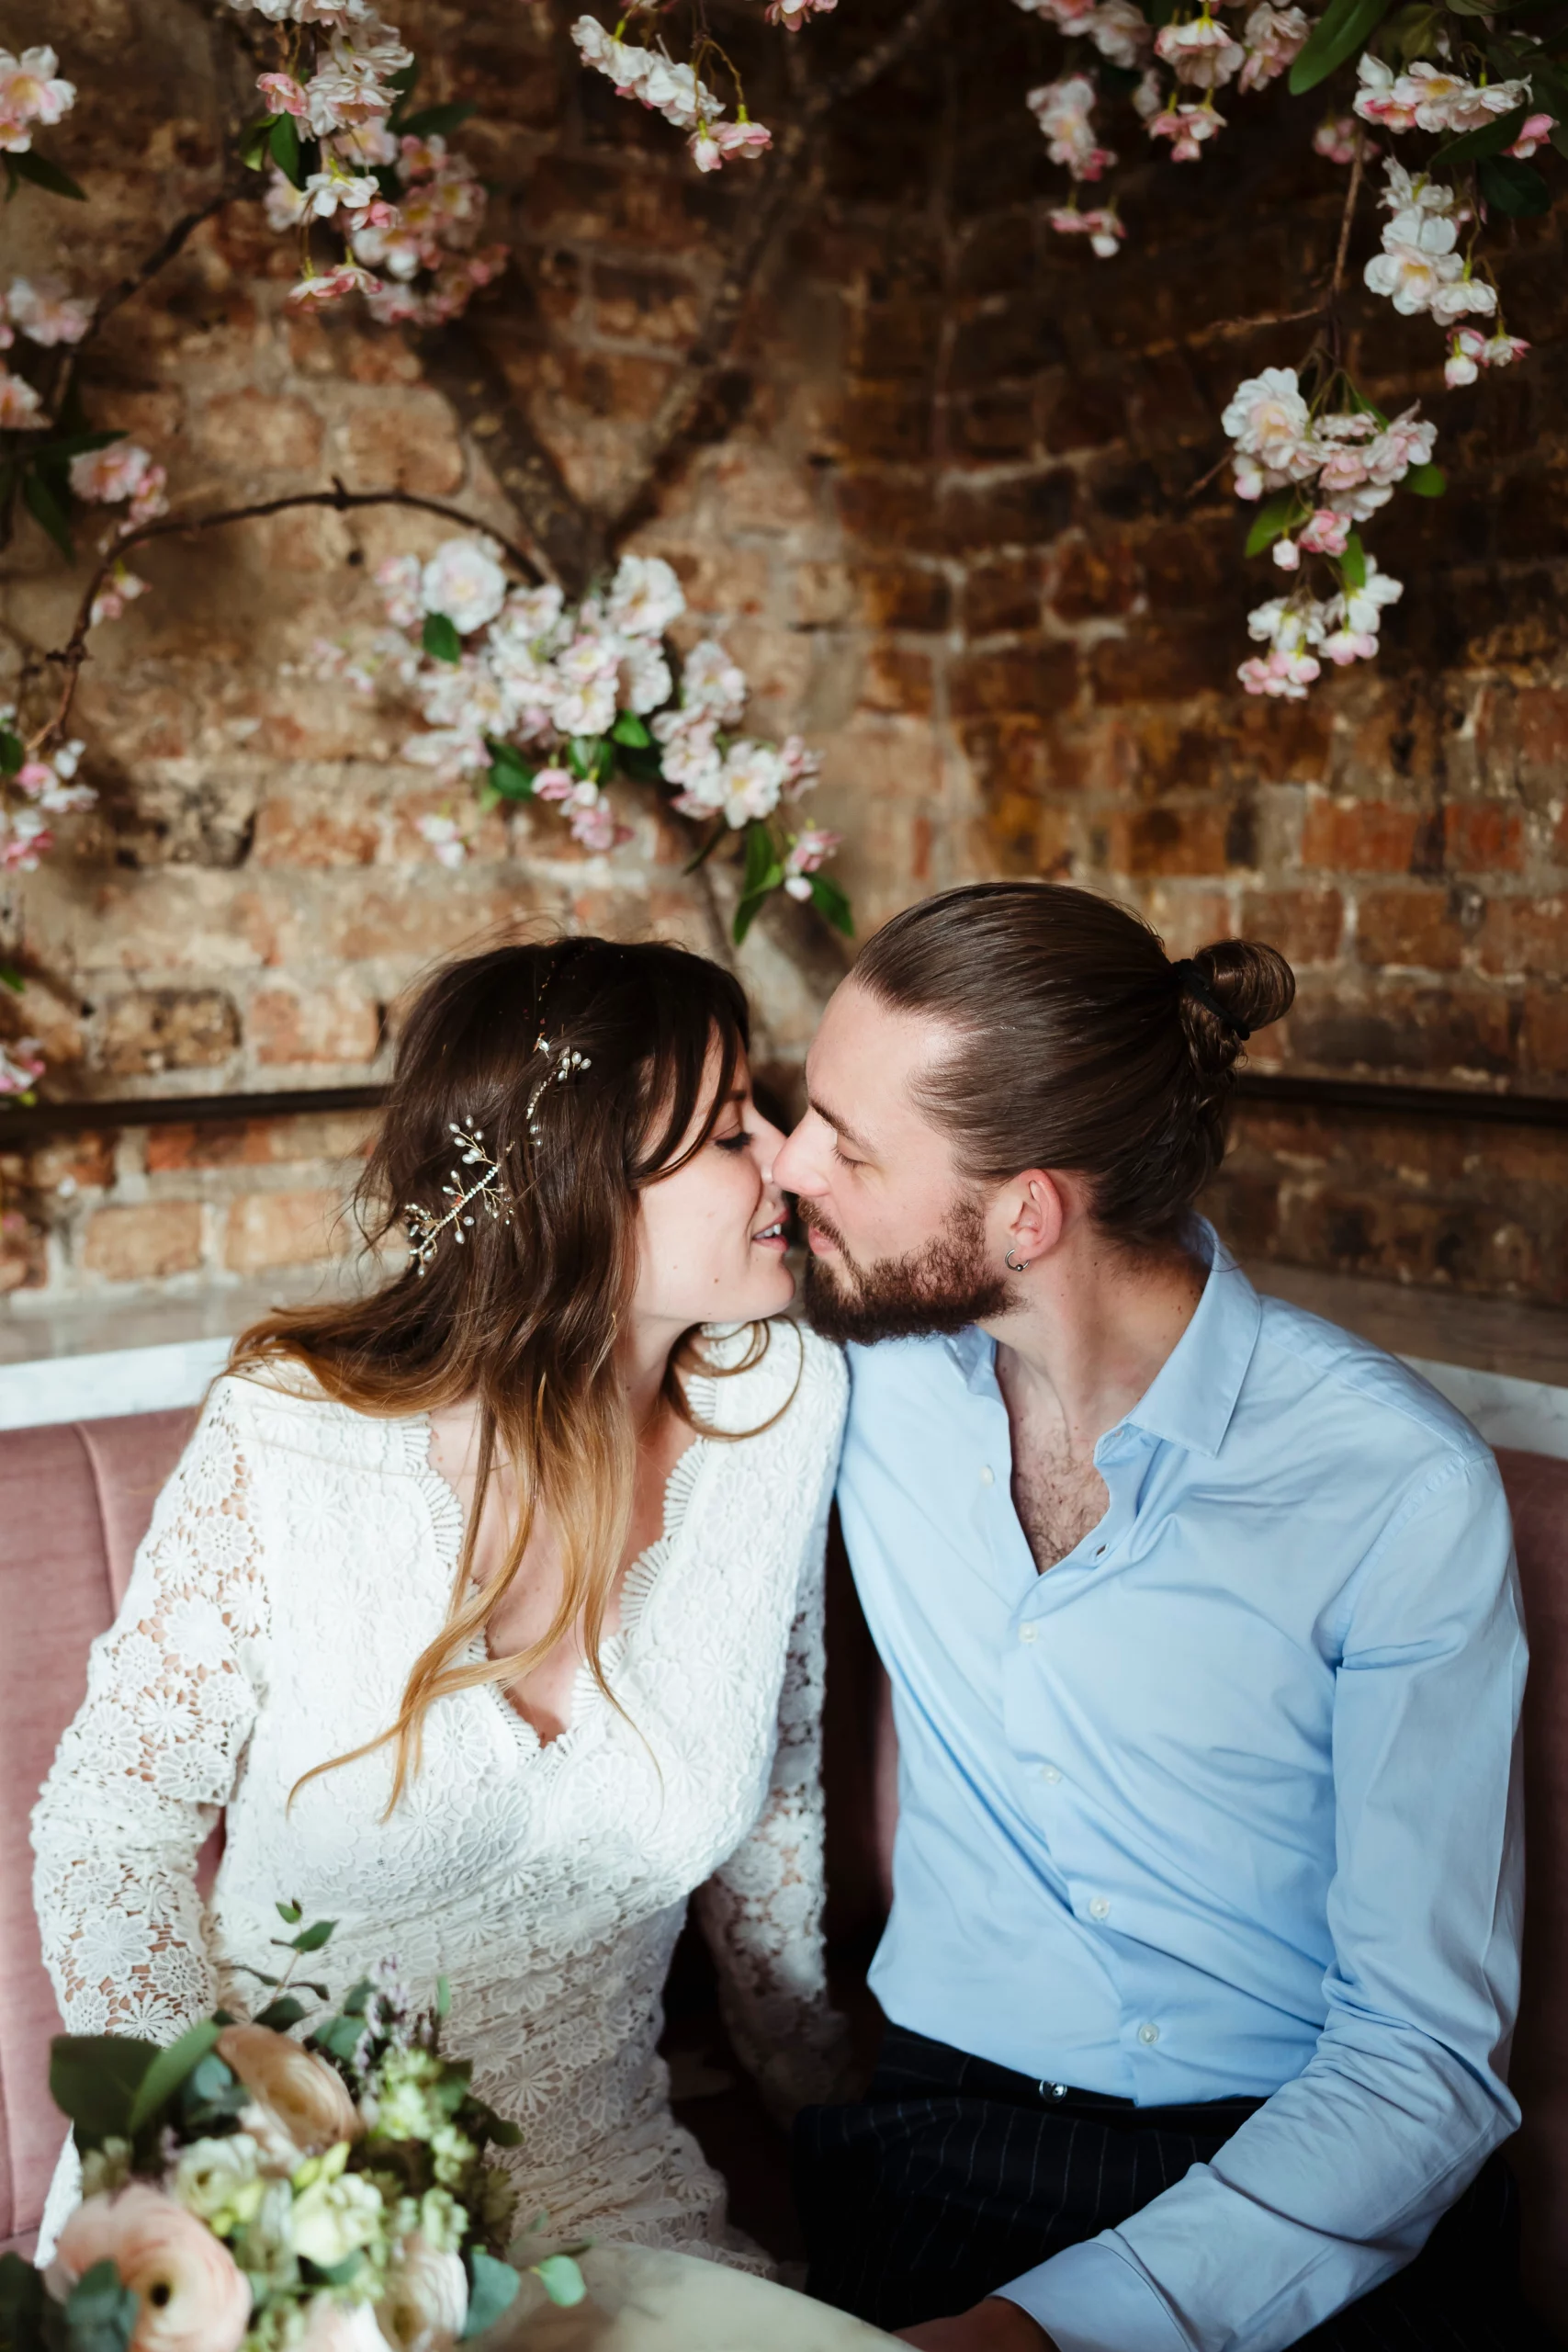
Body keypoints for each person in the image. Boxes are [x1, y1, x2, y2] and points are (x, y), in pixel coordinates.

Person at [776, 881, 1531, 2352]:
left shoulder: (1393, 1488)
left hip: (1301, 2176)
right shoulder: (848, 1370)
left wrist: (1045, 2331)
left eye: (846, 1146)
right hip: (949, 2145)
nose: (787, 1165)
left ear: (1024, 1214)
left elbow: (1422, 2057)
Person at [31, 935, 851, 2269]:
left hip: (602, 2204)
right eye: (725, 1133)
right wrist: (196, 2163)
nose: (788, 1155)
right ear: (578, 1189)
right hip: (265, 2195)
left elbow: (777, 1797)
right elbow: (107, 1830)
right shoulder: (291, 1439)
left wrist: (832, 2106)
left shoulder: (784, 1402)